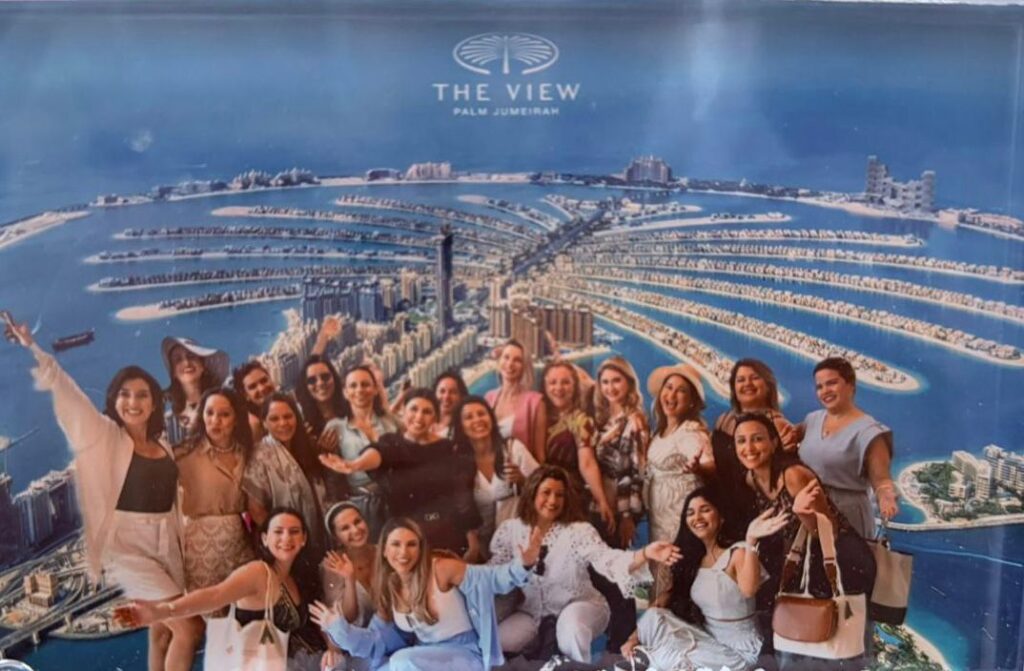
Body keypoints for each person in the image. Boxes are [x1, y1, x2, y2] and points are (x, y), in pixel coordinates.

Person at [6, 318, 202, 671]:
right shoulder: (107, 436)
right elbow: (70, 394)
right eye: (124, 394)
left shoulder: (162, 444)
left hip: (168, 544)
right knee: (189, 628)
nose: (133, 402)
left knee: (161, 632)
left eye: (142, 394)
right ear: (113, 400)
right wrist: (33, 347)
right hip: (130, 548)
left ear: (155, 403)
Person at [488, 465, 682, 664]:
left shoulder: (578, 531)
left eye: (559, 495)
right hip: (531, 614)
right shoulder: (510, 530)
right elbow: (492, 574)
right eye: (546, 492)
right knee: (497, 642)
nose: (553, 501)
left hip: (582, 606)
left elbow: (608, 559)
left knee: (571, 628)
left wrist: (645, 553)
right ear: (532, 493)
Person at [310, 517, 544, 671]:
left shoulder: (440, 569)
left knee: (402, 662)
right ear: (384, 551)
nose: (403, 552)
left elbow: (491, 578)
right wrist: (339, 629)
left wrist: (523, 564)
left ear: (421, 548)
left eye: (411, 544)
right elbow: (376, 641)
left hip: (464, 656)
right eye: (396, 544)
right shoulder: (391, 589)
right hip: (425, 658)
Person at [734, 412, 876, 667]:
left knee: (831, 641)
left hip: (841, 559)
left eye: (757, 439)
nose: (749, 448)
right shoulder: (751, 479)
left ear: (774, 443)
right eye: (741, 441)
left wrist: (803, 513)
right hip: (807, 560)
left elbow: (829, 531)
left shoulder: (794, 475)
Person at [117, 508, 323, 671]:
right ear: (264, 539)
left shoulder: (294, 575)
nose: (286, 538)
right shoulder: (258, 573)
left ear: (303, 538)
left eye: (294, 532)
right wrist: (163, 611)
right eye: (278, 531)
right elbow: (215, 595)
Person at [621, 487, 788, 671]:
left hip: (739, 653)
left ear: (721, 516)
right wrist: (633, 639)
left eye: (705, 510)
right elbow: (665, 599)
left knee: (676, 654)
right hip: (706, 641)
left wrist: (751, 541)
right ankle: (645, 659)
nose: (697, 517)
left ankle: (644, 661)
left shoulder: (738, 551)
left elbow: (749, 590)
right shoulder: (694, 559)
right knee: (653, 616)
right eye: (690, 513)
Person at [320, 389, 482, 557]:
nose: (419, 417)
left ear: (435, 417)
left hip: (448, 535)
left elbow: (462, 496)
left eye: (427, 412)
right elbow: (378, 454)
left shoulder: (447, 448)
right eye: (414, 409)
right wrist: (355, 465)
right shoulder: (392, 443)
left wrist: (473, 542)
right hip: (407, 540)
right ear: (403, 411)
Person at [798, 357, 898, 538]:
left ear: (851, 385)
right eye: (819, 387)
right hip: (810, 509)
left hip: (848, 516)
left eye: (832, 383)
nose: (825, 391)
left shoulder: (869, 431)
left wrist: (886, 497)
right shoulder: (812, 419)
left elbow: (882, 480)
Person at [175, 388, 256, 592]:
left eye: (224, 414)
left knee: (244, 602)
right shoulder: (183, 454)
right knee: (208, 606)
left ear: (236, 419)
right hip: (200, 546)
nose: (215, 420)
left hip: (239, 542)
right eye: (209, 413)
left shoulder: (247, 453)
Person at [644, 363, 714, 598]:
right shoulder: (660, 431)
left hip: (678, 517)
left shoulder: (690, 432)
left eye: (681, 390)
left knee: (675, 576)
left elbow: (709, 462)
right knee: (660, 572)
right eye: (669, 387)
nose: (672, 395)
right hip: (659, 517)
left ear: (692, 401)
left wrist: (699, 467)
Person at [711, 359, 796, 539]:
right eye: (740, 380)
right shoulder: (723, 420)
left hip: (759, 513)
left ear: (768, 386)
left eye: (755, 378)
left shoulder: (779, 425)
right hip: (724, 508)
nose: (747, 384)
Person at [452, 396, 539, 554]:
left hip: (520, 544)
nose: (477, 420)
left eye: (481, 414)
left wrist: (522, 480)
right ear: (461, 426)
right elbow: (458, 511)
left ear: (491, 418)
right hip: (480, 550)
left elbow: (545, 489)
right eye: (469, 417)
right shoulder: (457, 462)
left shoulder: (513, 449)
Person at [244, 393, 325, 555]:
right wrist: (284, 539)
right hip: (282, 546)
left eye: (288, 416)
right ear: (264, 423)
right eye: (274, 419)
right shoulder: (260, 455)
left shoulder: (307, 448)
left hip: (315, 536)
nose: (283, 423)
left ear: (297, 417)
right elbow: (256, 510)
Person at [541, 361, 615, 531]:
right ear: (544, 386)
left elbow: (587, 463)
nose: (559, 388)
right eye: (553, 382)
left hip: (569, 495)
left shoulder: (581, 420)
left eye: (565, 382)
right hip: (540, 495)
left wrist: (601, 500)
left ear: (575, 386)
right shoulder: (537, 414)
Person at [322, 364, 399, 521]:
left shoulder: (391, 422)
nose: (359, 390)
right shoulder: (335, 427)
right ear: (345, 392)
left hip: (397, 499)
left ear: (375, 389)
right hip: (359, 507)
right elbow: (331, 478)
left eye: (365, 384)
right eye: (353, 385)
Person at [592, 355, 649, 549]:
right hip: (597, 503)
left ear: (629, 383)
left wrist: (627, 516)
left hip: (619, 507)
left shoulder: (635, 421)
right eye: (605, 382)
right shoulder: (602, 416)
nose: (610, 388)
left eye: (617, 380)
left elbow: (637, 471)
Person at [321, 503, 378, 671]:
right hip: (356, 647)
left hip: (390, 636)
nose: (355, 530)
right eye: (345, 528)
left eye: (357, 521)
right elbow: (346, 618)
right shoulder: (331, 564)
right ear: (336, 537)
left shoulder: (385, 552)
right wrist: (350, 579)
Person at [161, 336, 229, 445]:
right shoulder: (167, 422)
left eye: (191, 356)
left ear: (202, 365)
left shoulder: (224, 407)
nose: (186, 363)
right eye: (178, 360)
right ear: (173, 373)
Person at [485, 340, 546, 461]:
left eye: (517, 360)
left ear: (524, 367)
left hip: (520, 470)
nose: (510, 364)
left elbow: (540, 455)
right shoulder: (489, 398)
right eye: (506, 357)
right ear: (499, 361)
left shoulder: (536, 403)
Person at [232, 360, 277, 442]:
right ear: (245, 395)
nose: (262, 388)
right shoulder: (253, 425)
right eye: (252, 387)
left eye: (264, 380)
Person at [434, 370, 469, 439]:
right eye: (442, 391)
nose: (446, 396)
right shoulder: (425, 425)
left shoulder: (465, 429)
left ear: (461, 396)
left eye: (453, 392)